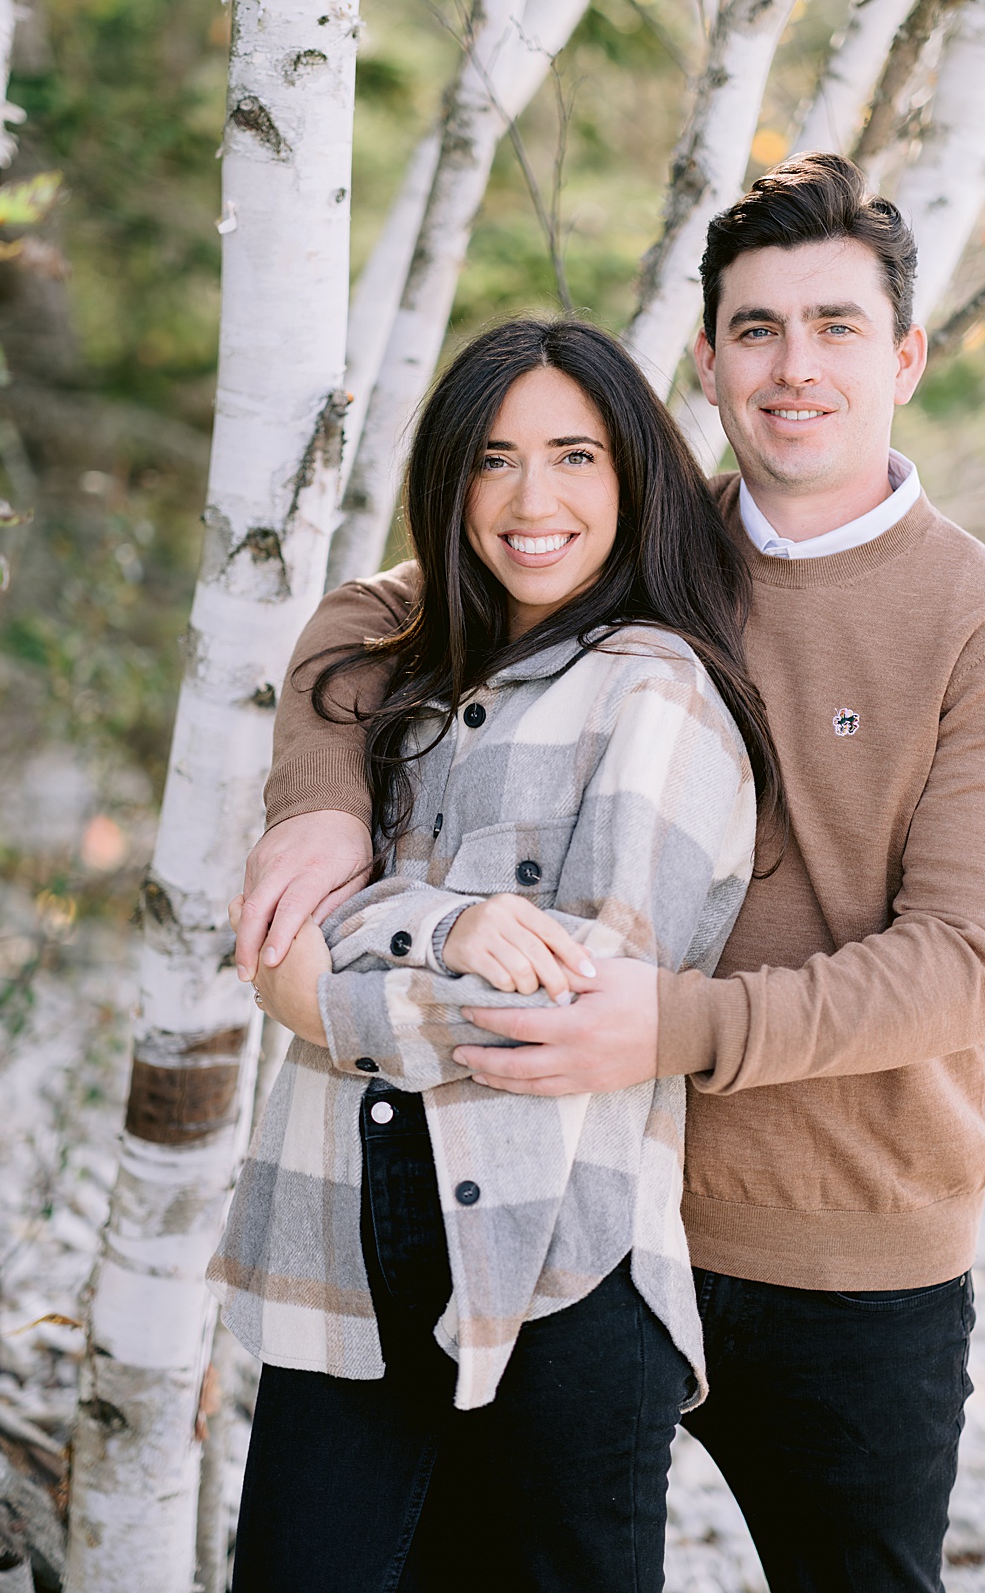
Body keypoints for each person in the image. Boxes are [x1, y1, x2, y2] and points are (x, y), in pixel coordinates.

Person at [234, 155, 985, 1593]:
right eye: (757, 328)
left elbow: (968, 962)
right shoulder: (646, 532)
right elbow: (379, 607)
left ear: (908, 355)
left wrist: (673, 1023)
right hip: (587, 1212)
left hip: (841, 1244)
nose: (794, 365)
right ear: (707, 359)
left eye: (835, 326)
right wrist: (317, 796)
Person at [209, 317, 783, 1593]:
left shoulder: (659, 691)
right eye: (494, 458)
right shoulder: (399, 678)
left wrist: (327, 988)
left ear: (633, 476)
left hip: (555, 1265)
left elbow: (573, 1005)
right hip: (338, 1245)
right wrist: (446, 925)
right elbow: (279, 930)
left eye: (575, 455)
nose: (533, 500)